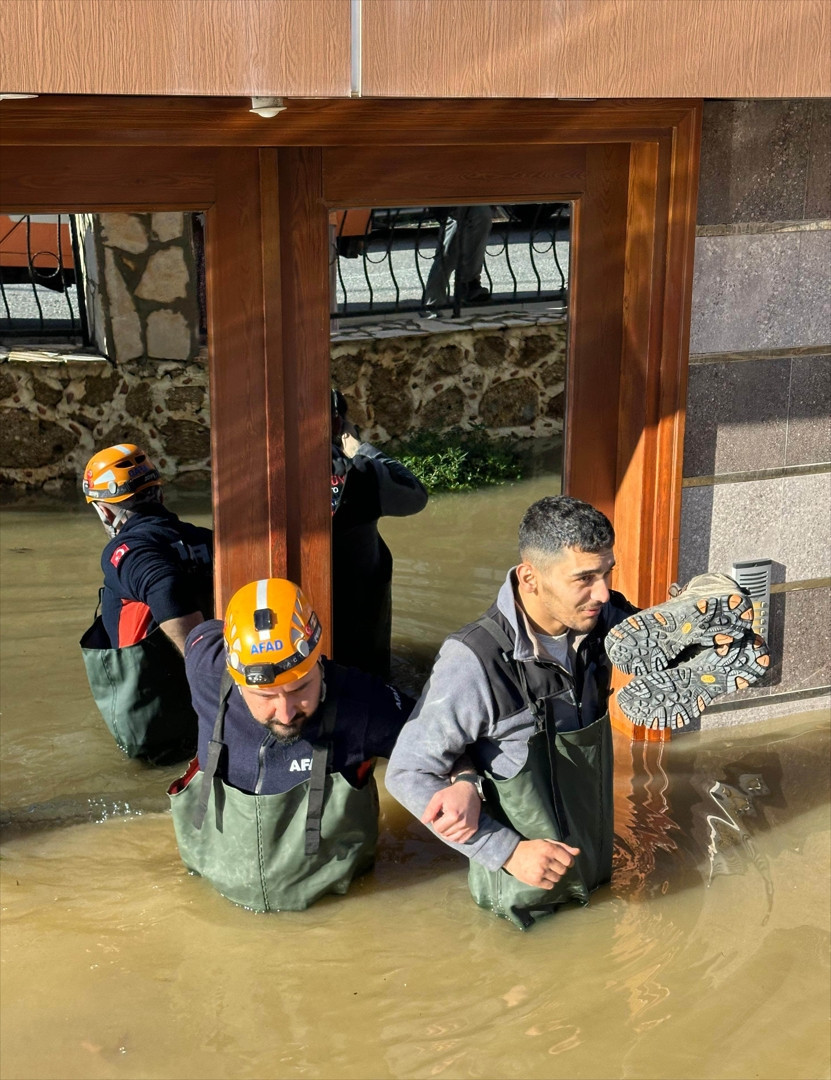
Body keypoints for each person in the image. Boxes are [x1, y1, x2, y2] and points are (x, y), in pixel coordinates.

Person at [386, 495, 639, 930]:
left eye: (606, 573)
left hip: (596, 880)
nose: (602, 592)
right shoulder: (473, 661)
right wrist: (506, 851)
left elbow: (659, 645)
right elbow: (407, 773)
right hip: (520, 907)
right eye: (584, 578)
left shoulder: (603, 619)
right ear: (530, 577)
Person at [168, 577, 478, 912]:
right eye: (266, 696)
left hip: (336, 905)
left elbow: (447, 743)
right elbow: (177, 609)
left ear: (318, 658)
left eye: (300, 689)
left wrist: (466, 782)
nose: (286, 714)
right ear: (235, 674)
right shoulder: (205, 668)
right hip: (213, 898)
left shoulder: (362, 704)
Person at [79, 443, 214, 763]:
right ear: (159, 495)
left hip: (159, 736)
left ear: (104, 510)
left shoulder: (128, 552)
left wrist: (208, 674)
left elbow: (164, 585)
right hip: (209, 725)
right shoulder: (206, 540)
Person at [331, 389, 428, 679]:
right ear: (338, 425)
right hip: (360, 646)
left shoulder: (261, 477)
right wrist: (358, 447)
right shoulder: (360, 474)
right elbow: (415, 495)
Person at [421, 205, 493, 311]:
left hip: (468, 200)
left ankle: (467, 285)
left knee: (482, 215)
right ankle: (433, 305)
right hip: (451, 201)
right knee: (447, 253)